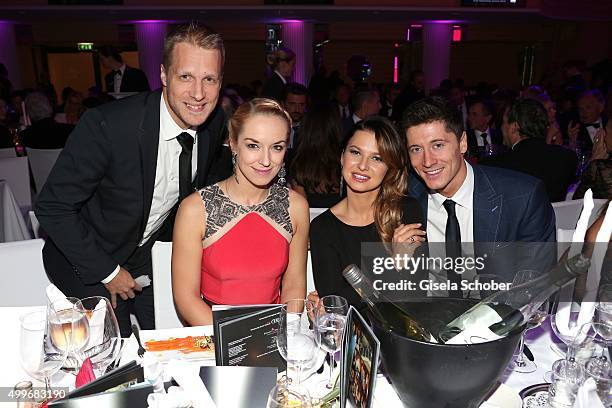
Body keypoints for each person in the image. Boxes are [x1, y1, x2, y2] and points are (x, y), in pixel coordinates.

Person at [35, 22, 227, 336]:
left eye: (209, 79)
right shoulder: (109, 126)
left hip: (147, 253)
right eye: (185, 77)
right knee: (113, 351)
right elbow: (53, 207)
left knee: (176, 339)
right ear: (164, 76)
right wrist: (108, 272)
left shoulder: (213, 121)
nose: (198, 93)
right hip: (87, 256)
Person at [172, 98, 309, 326]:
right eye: (253, 145)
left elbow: (294, 283)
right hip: (212, 335)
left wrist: (288, 328)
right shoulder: (195, 209)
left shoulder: (295, 206)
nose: (266, 160)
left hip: (272, 335)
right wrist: (235, 342)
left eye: (277, 147)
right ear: (233, 144)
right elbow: (186, 299)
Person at [404, 97, 556, 283]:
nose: (427, 161)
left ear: (462, 143)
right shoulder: (402, 196)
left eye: (438, 145)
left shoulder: (523, 198)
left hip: (499, 309)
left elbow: (535, 285)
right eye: (416, 149)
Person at [310, 116, 425, 311]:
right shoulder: (323, 227)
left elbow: (417, 290)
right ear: (342, 156)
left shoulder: (406, 211)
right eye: (355, 152)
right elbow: (336, 305)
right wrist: (391, 265)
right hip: (355, 337)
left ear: (389, 168)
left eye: (377, 158)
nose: (362, 166)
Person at [482, 98, 578, 203]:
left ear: (514, 127)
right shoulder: (568, 158)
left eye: (504, 122)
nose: (501, 127)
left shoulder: (495, 166)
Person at [290, 107, 343, 208]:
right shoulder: (344, 162)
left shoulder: (299, 165)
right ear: (335, 129)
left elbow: (301, 208)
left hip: (310, 221)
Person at [574, 119, 612, 199]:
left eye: (606, 132)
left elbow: (577, 202)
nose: (604, 136)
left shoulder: (600, 169)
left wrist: (594, 159)